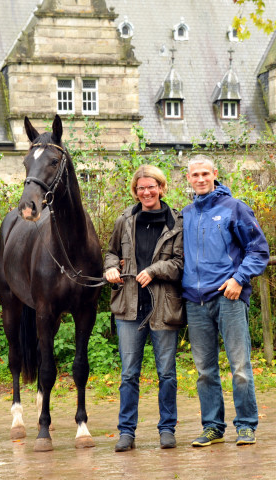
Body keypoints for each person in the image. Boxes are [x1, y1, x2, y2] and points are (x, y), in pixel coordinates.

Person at [181, 155, 269, 447]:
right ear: (189, 178)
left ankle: (245, 425)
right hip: (195, 301)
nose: (201, 179)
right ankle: (212, 428)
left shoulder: (235, 208)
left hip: (228, 297)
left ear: (215, 174)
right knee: (205, 371)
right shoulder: (186, 214)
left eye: (206, 173)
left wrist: (238, 279)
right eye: (195, 175)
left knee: (240, 367)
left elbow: (258, 250)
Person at [104, 164, 184, 452]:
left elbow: (180, 264)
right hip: (129, 307)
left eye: (152, 186)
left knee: (167, 373)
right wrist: (111, 268)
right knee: (128, 374)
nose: (147, 192)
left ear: (162, 188)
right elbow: (112, 253)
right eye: (141, 188)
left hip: (164, 308)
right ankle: (126, 432)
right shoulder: (125, 219)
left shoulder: (178, 222)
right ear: (135, 192)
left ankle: (167, 429)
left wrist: (155, 269)